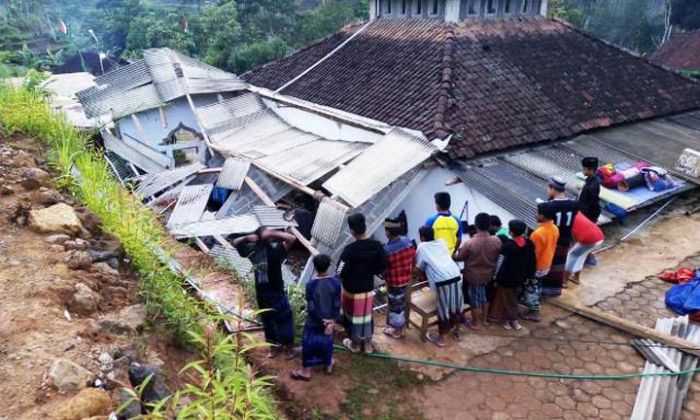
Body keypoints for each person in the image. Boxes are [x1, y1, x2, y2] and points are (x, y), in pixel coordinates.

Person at [234, 226, 297, 358]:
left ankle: (288, 346)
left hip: (275, 290)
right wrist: (247, 237)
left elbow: (292, 238)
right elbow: (235, 242)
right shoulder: (254, 251)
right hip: (264, 291)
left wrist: (269, 233)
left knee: (282, 317)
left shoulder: (275, 250)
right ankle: (276, 346)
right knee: (269, 319)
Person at [337, 213, 386, 354]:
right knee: (366, 315)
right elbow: (382, 266)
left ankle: (355, 343)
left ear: (352, 231)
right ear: (365, 227)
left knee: (353, 317)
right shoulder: (376, 246)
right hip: (368, 287)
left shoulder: (350, 250)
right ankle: (368, 342)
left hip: (351, 290)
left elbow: (340, 270)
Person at [291, 254, 341, 381]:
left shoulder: (311, 285)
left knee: (309, 343)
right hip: (330, 320)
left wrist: (321, 321)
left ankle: (305, 371)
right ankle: (328, 363)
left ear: (315, 267)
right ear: (329, 266)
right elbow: (337, 303)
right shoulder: (336, 283)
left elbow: (312, 307)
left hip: (314, 321)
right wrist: (332, 320)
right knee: (327, 341)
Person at [415, 225, 464, 347]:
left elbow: (417, 268)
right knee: (457, 304)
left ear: (421, 237)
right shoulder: (442, 243)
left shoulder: (422, 247)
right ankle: (457, 332)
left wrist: (423, 278)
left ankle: (441, 339)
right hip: (456, 274)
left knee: (443, 308)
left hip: (442, 280)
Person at [454, 212, 501, 329]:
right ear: (490, 225)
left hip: (473, 277)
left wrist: (452, 254)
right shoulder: (496, 240)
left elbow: (459, 258)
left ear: (476, 225)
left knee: (474, 300)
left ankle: (475, 323)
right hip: (488, 275)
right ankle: (485, 320)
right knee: (486, 298)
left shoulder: (470, 243)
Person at [489, 220, 536, 331]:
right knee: (515, 298)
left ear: (511, 231)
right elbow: (532, 261)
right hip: (522, 278)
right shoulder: (529, 244)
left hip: (507, 279)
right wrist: (530, 276)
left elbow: (500, 263)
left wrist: (496, 277)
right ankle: (512, 320)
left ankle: (510, 320)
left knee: (507, 300)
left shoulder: (508, 246)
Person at [540, 176, 579, 297]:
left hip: (553, 240)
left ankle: (545, 289)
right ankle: (556, 288)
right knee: (560, 264)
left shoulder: (547, 206)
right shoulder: (574, 204)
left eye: (548, 188)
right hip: (566, 240)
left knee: (548, 264)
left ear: (553, 189)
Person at [522, 204, 559, 322]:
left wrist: (527, 269)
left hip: (537, 266)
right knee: (538, 285)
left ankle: (534, 311)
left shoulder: (538, 234)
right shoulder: (554, 228)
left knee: (532, 288)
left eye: (537, 212)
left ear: (543, 215)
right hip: (546, 263)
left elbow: (533, 255)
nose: (535, 214)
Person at [382, 217, 416, 339]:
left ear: (388, 232)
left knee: (396, 307)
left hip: (394, 283)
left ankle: (397, 332)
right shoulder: (408, 242)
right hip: (407, 279)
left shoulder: (387, 250)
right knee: (401, 304)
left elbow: (383, 268)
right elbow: (414, 259)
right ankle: (400, 327)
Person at [565, 212, 605, 285]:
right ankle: (576, 278)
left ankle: (564, 281)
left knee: (571, 256)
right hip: (599, 236)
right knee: (580, 257)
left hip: (589, 239)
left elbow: (573, 235)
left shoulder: (567, 219)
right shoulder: (577, 212)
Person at [578, 157, 602, 266]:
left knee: (586, 238)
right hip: (583, 212)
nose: (583, 171)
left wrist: (594, 218)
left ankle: (589, 256)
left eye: (585, 169)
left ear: (591, 170)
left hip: (588, 215)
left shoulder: (593, 186)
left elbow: (595, 203)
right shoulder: (590, 180)